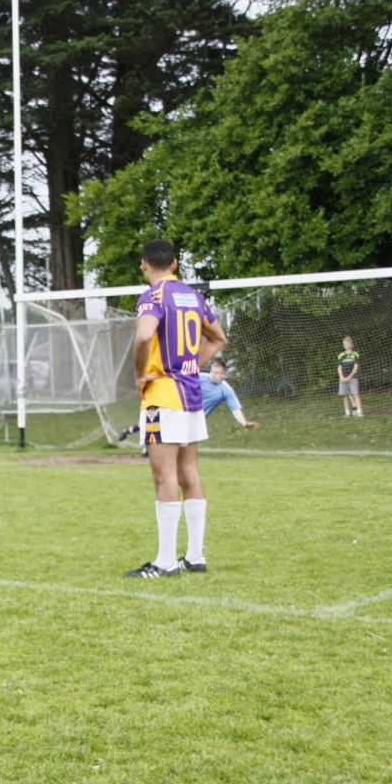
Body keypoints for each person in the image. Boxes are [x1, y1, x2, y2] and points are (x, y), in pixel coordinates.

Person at [125, 239, 228, 579]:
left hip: (164, 397)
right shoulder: (194, 297)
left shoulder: (152, 297)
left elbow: (143, 338)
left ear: (144, 265)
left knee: (164, 476)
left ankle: (166, 561)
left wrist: (141, 374)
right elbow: (218, 339)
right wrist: (189, 364)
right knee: (189, 472)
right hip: (192, 395)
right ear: (175, 263)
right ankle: (195, 556)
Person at [119, 359, 258, 443]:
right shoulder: (200, 377)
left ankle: (150, 447)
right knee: (156, 421)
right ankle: (132, 433)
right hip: (180, 407)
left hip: (198, 416)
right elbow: (178, 376)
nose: (213, 375)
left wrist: (244, 423)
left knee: (177, 437)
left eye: (217, 373)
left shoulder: (226, 390)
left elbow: (235, 409)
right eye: (212, 371)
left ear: (223, 375)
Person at [338, 335, 363, 416]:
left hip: (353, 378)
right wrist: (342, 377)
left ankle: (359, 412)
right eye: (344, 344)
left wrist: (349, 376)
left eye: (347, 343)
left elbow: (356, 367)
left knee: (355, 394)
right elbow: (339, 367)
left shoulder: (355, 354)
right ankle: (347, 412)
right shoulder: (341, 355)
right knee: (345, 396)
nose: (346, 345)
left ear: (351, 345)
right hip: (343, 379)